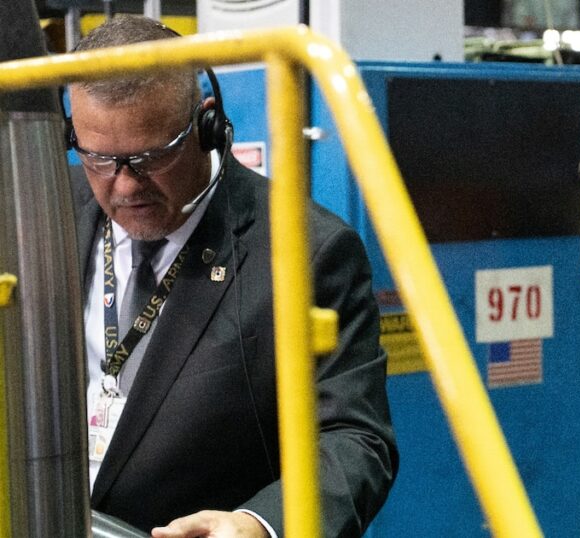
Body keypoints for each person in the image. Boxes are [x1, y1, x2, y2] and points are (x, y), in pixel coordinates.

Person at [67, 15, 397, 537]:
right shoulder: (45, 213)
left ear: (207, 124)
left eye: (151, 157)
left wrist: (258, 523)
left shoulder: (305, 250)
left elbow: (354, 438)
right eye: (101, 158)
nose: (125, 186)